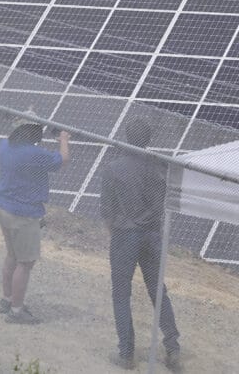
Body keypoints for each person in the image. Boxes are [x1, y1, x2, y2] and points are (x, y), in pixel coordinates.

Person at [100, 118, 182, 372]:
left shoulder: (113, 169)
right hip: (152, 235)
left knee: (121, 294)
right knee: (158, 291)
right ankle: (173, 347)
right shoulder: (159, 169)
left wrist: (117, 229)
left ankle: (126, 353)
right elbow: (162, 204)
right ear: (148, 140)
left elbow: (106, 210)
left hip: (125, 235)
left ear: (126, 137)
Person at [0, 111, 70, 324]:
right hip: (23, 214)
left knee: (11, 255)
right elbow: (63, 160)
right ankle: (17, 312)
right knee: (25, 263)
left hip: (3, 206)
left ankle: (7, 300)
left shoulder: (5, 146)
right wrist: (63, 139)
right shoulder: (33, 154)